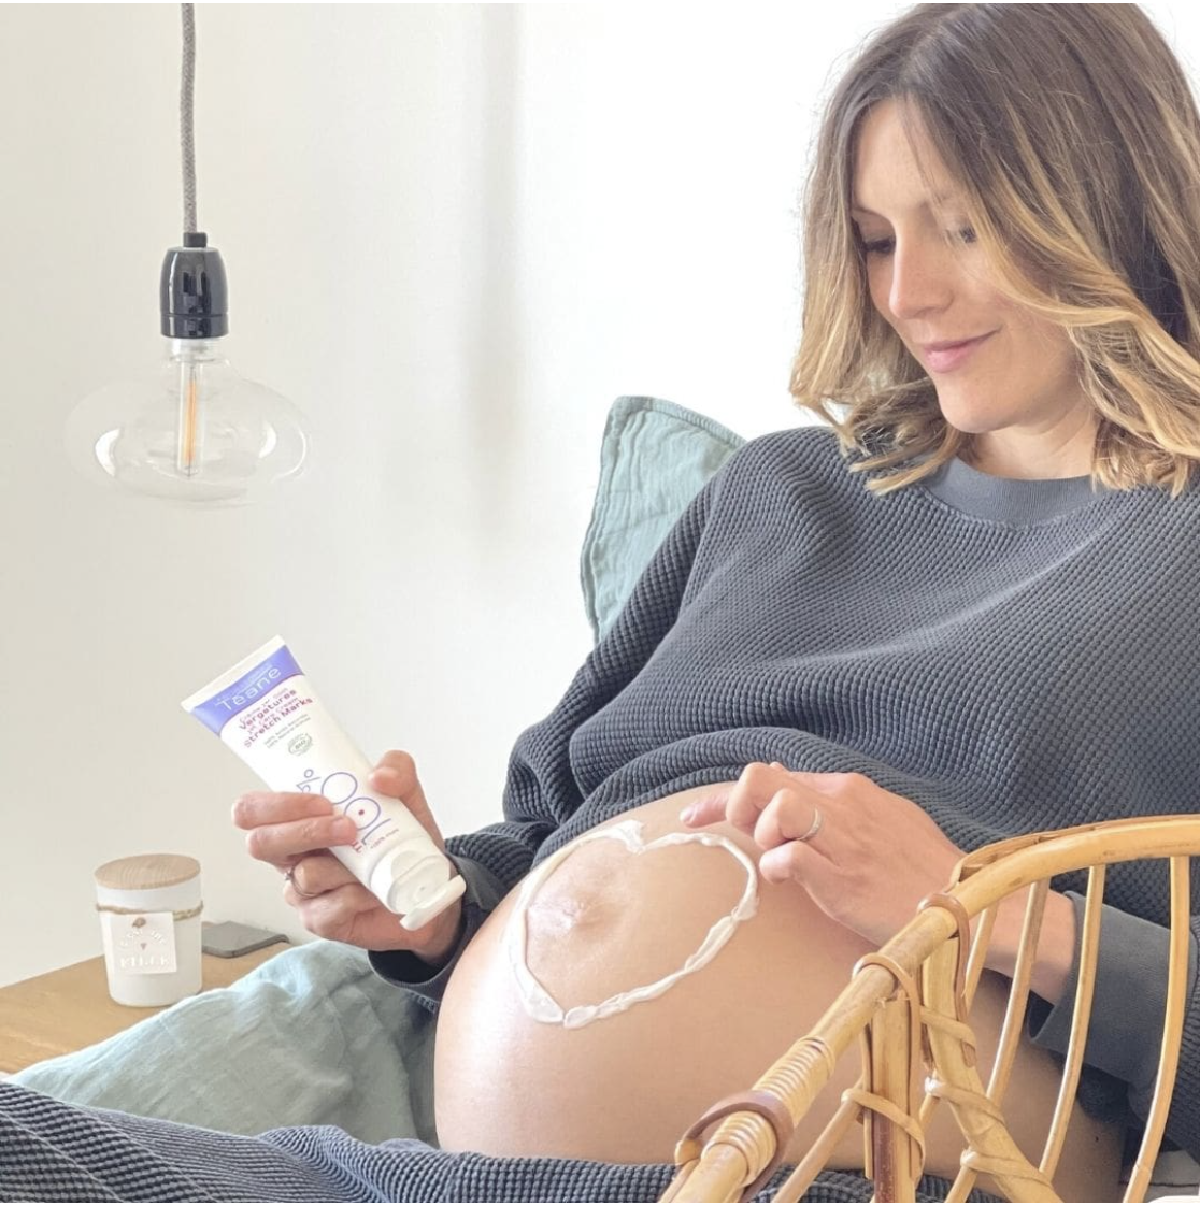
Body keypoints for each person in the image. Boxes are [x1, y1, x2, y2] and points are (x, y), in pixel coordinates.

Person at [4, 3, 1200, 1202]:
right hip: (446, 1161)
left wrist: (982, 912)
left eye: (965, 228)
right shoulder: (777, 493)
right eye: (875, 240)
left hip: (825, 1174)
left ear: (1113, 208)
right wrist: (428, 903)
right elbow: (544, 832)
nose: (911, 294)